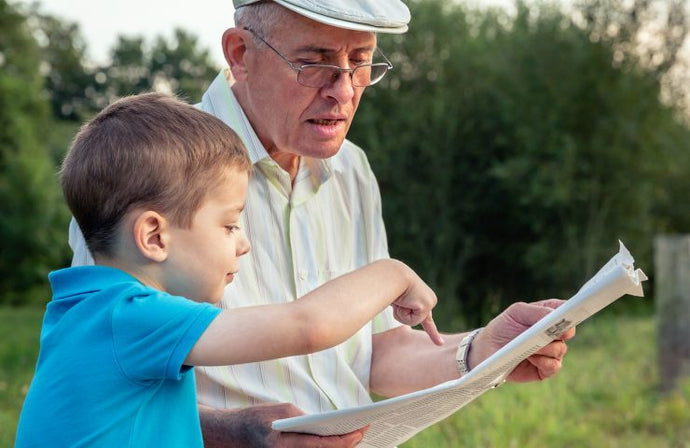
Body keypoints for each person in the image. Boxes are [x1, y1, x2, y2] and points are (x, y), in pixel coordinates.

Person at [68, 1, 576, 447]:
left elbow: (373, 348)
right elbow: (101, 389)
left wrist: (483, 350)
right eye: (315, 63)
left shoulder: (352, 169)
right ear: (239, 53)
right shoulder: (148, 172)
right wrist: (236, 436)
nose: (344, 91)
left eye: (360, 64)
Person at [16, 92, 446, 447]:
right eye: (229, 225)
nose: (243, 244)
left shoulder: (88, 311)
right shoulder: (129, 317)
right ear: (154, 236)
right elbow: (307, 325)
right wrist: (394, 274)